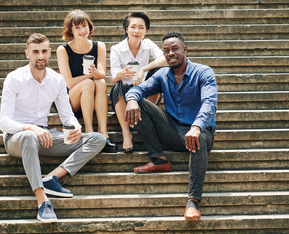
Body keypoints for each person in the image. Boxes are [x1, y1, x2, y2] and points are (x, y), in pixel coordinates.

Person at [0, 33, 106, 223]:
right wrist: (31, 128)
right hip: (16, 138)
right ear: (27, 54)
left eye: (43, 52)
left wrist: (75, 127)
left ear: (49, 53)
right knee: (29, 137)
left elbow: (67, 115)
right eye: (35, 52)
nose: (40, 56)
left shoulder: (56, 80)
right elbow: (3, 122)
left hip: (46, 137)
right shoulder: (14, 78)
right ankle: (42, 201)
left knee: (97, 138)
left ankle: (52, 178)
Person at [125, 31, 217, 220]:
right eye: (166, 51)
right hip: (173, 130)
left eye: (175, 49)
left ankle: (193, 201)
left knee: (198, 139)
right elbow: (138, 89)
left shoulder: (203, 72)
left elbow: (209, 103)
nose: (170, 53)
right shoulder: (162, 75)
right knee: (138, 101)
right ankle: (158, 158)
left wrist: (197, 126)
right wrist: (132, 99)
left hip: (199, 133)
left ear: (184, 49)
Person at [56, 10, 116, 152]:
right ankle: (89, 133)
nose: (82, 30)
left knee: (100, 82)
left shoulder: (99, 46)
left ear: (90, 27)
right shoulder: (63, 49)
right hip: (72, 98)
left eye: (84, 26)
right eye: (77, 27)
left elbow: (101, 74)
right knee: (89, 83)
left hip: (91, 96)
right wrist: (89, 76)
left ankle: (103, 133)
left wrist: (95, 72)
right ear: (70, 30)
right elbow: (69, 83)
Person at [110, 12, 167, 153]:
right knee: (119, 85)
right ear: (126, 29)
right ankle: (126, 133)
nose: (137, 31)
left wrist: (144, 69)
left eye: (141, 27)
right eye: (133, 27)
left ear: (146, 31)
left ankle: (147, 113)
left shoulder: (148, 44)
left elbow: (165, 59)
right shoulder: (116, 49)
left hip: (144, 88)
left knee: (159, 72)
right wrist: (121, 74)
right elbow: (114, 77)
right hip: (124, 90)